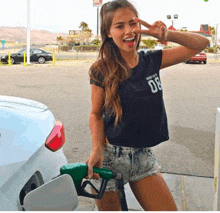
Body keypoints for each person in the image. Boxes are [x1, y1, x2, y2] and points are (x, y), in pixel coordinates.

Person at [86, 0, 209, 211]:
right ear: (107, 33)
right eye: (119, 26)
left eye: (132, 23)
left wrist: (166, 35)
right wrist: (97, 148)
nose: (129, 31)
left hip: (143, 158)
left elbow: (201, 44)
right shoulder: (101, 69)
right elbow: (96, 114)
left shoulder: (152, 60)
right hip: (110, 159)